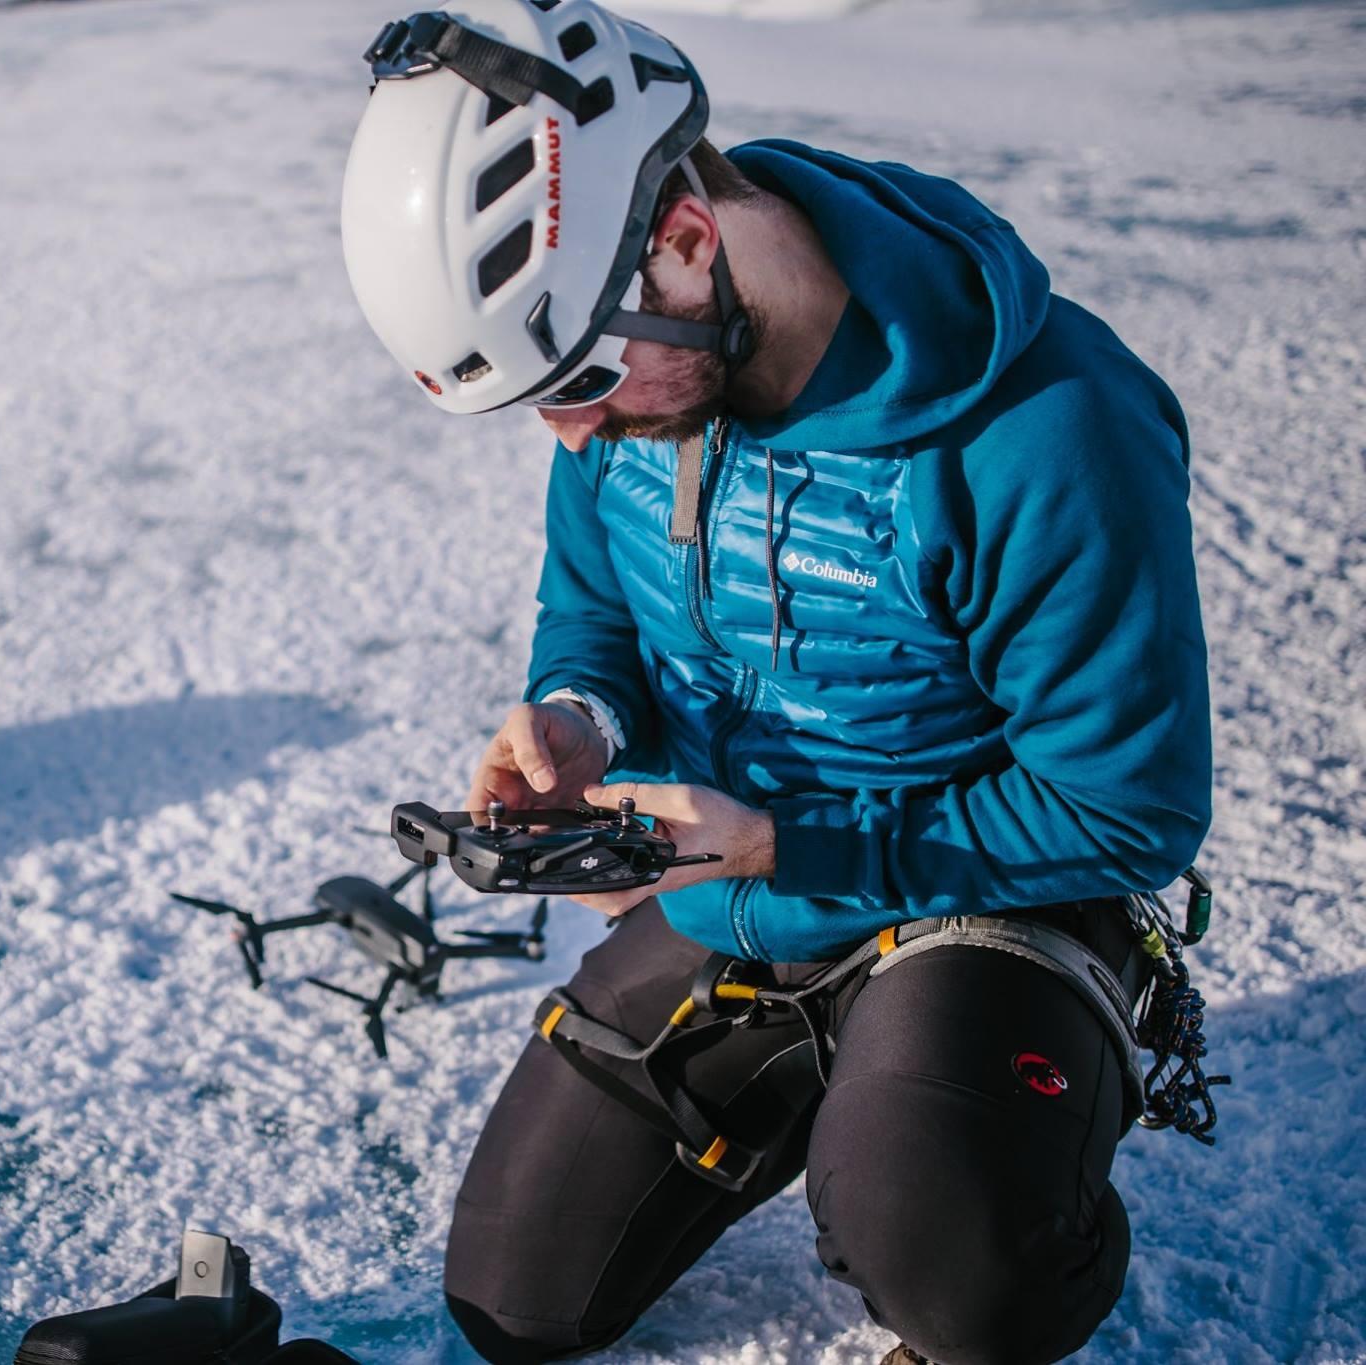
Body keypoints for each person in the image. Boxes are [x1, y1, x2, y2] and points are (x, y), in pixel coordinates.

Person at [340, 4, 1211, 1363]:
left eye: (580, 378)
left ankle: (957, 1124)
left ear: (688, 240)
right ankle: (853, 1081)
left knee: (959, 1267)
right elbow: (594, 610)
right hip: (731, 887)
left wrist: (782, 844)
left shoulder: (1054, 428)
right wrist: (582, 720)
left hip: (981, 895)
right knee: (517, 1300)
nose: (568, 432)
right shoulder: (646, 380)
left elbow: (1124, 808)